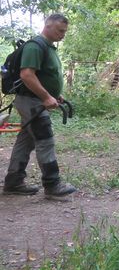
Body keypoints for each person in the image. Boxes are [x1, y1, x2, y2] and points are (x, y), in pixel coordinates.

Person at [2, 13, 77, 199]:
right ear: (48, 26)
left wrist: (53, 94)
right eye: (60, 30)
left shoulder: (48, 48)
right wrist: (45, 96)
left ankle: (14, 181)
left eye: (65, 31)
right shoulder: (35, 46)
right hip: (31, 102)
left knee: (26, 140)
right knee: (45, 139)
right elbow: (27, 75)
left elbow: (44, 75)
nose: (63, 34)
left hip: (35, 101)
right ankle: (52, 184)